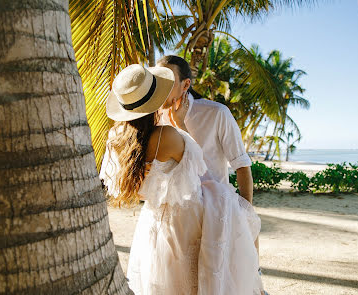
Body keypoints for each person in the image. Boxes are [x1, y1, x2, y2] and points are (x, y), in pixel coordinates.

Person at [99, 64, 264, 294]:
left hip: (153, 219)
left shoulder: (116, 138)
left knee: (162, 279)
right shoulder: (167, 134)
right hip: (187, 219)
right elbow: (200, 169)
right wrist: (181, 125)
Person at [156, 55, 254, 204]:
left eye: (168, 81)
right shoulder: (155, 118)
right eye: (158, 80)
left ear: (185, 85)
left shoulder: (216, 113)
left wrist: (246, 214)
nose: (161, 88)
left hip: (214, 208)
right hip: (172, 209)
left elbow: (241, 165)